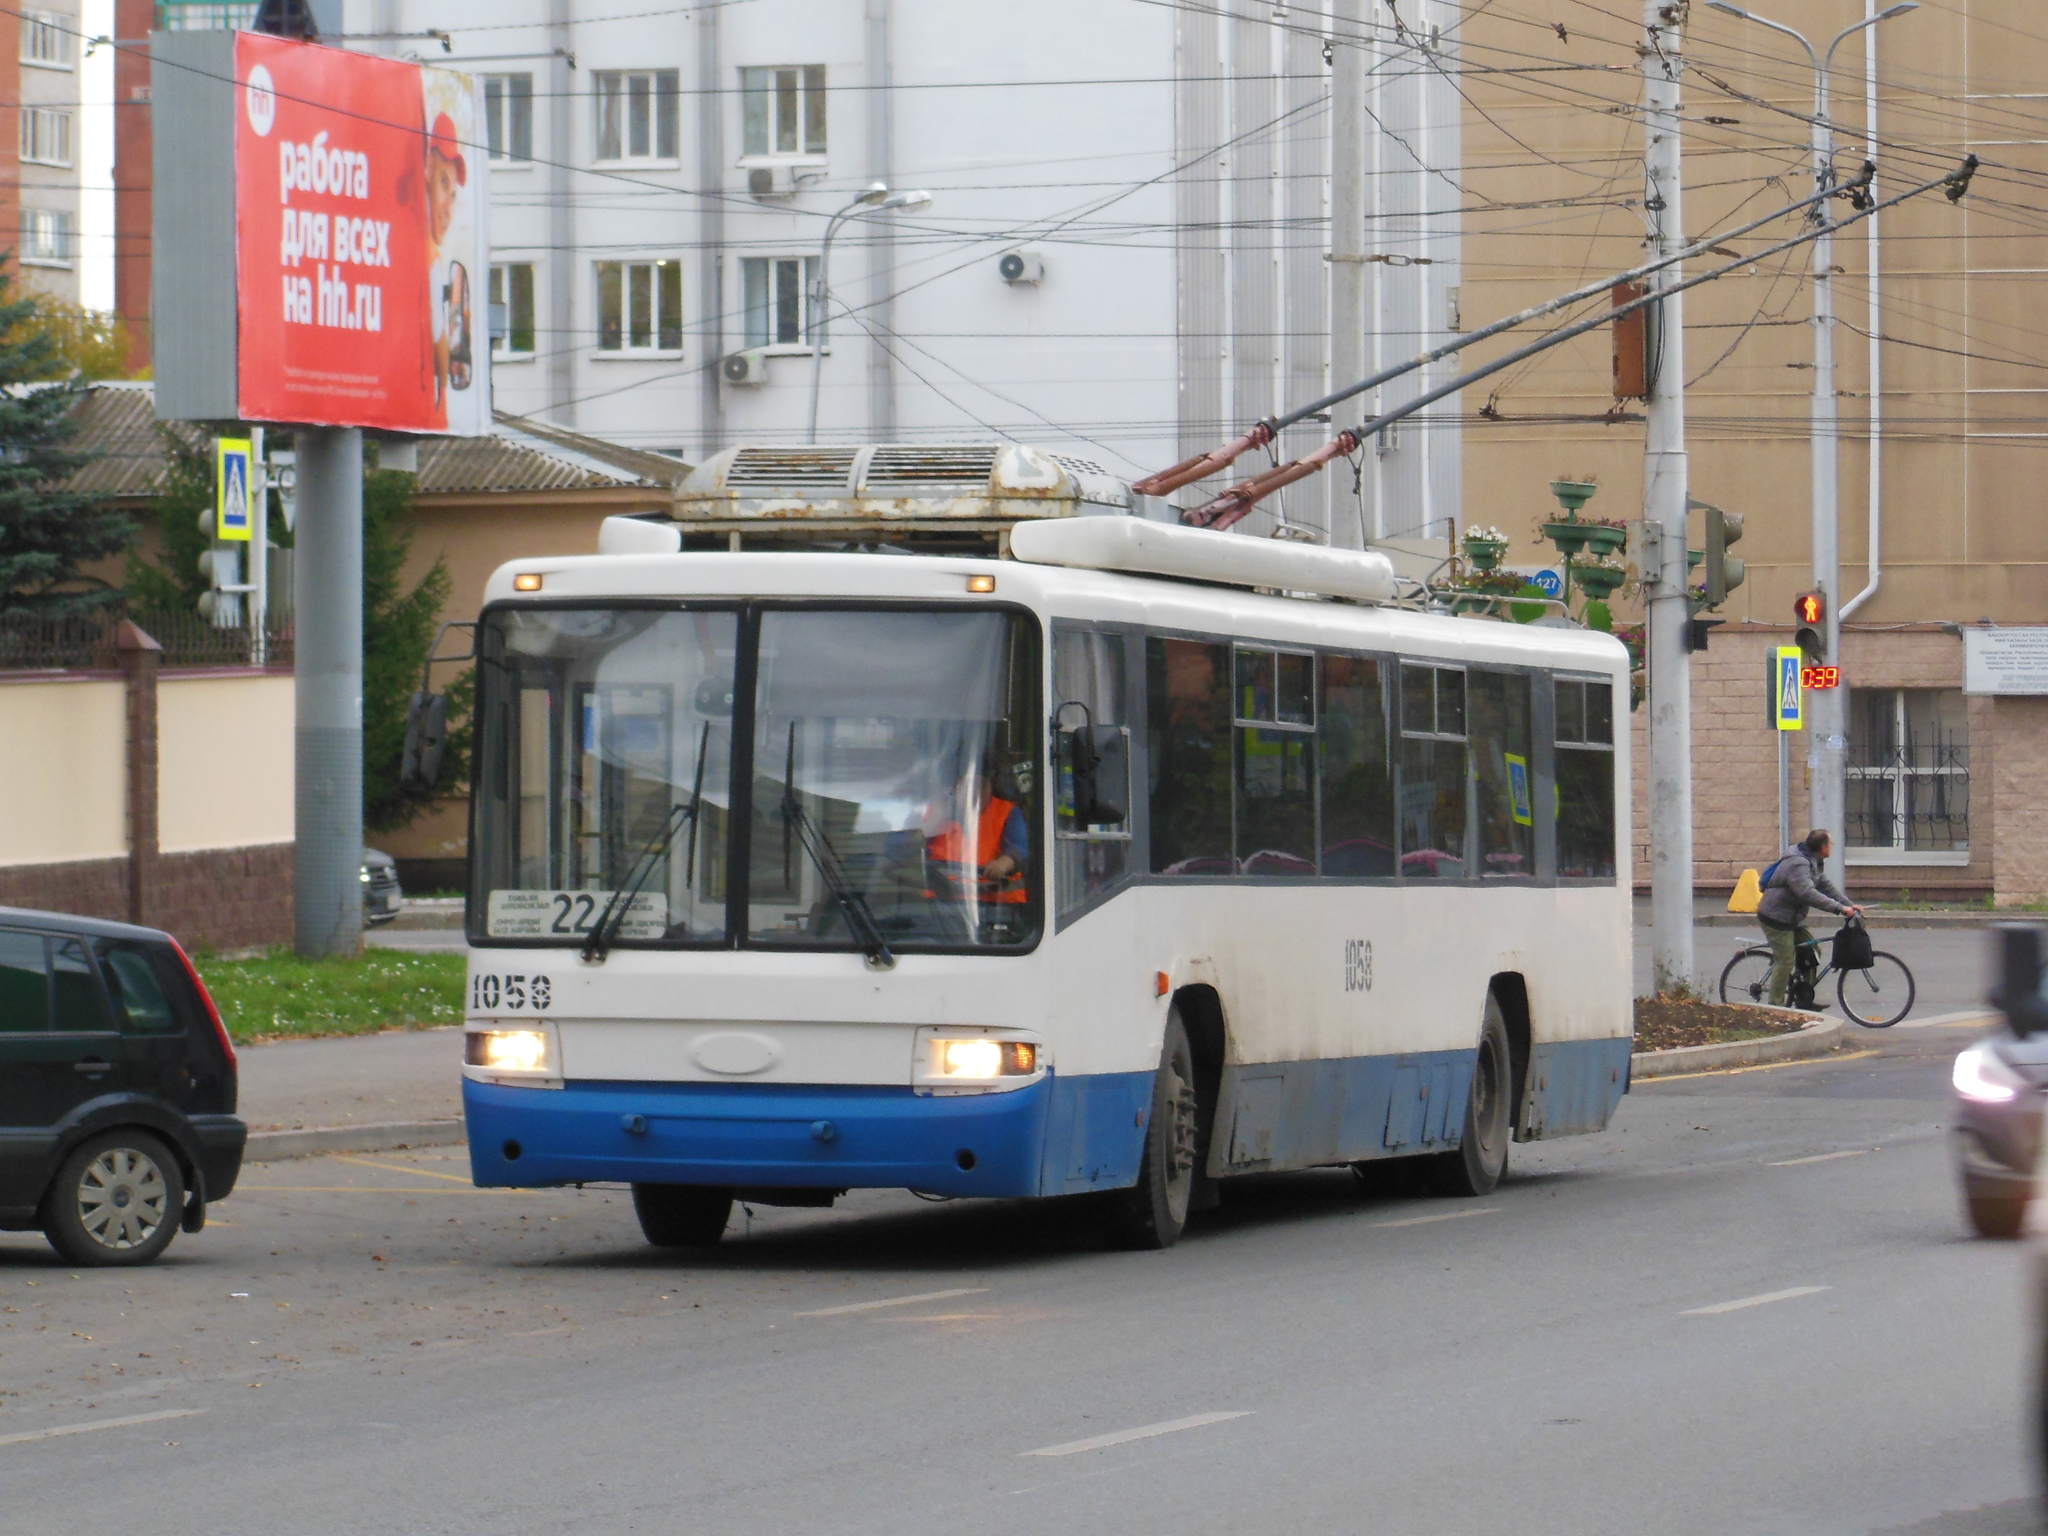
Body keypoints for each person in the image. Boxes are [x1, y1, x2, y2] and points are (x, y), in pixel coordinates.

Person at [1757, 828, 1862, 1007]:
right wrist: (1840, 909)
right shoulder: (1798, 864)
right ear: (1822, 848)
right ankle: (1775, 1007)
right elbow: (1807, 893)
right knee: (1786, 961)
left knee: (1812, 952)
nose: (1832, 847)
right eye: (1830, 844)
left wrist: (1848, 904)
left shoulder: (1814, 860)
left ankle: (1803, 999)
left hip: (1792, 917)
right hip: (1775, 918)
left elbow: (1825, 885)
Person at [924, 769, 1027, 904]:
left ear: (991, 786)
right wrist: (926, 828)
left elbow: (1020, 848)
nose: (975, 792)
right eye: (968, 785)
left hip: (994, 907)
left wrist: (1002, 864)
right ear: (955, 787)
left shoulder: (1008, 812)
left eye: (982, 786)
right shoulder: (936, 810)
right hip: (937, 903)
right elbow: (900, 846)